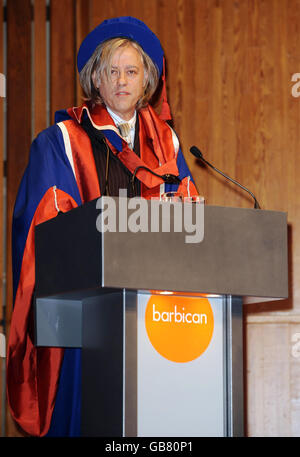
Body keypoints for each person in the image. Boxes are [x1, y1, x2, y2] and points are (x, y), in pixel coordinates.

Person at [6, 16, 198, 437]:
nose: (122, 81)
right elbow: (44, 222)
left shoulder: (166, 145)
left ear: (146, 80)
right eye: (111, 71)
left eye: (131, 71)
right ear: (96, 78)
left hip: (153, 312)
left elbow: (189, 217)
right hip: (89, 311)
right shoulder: (63, 139)